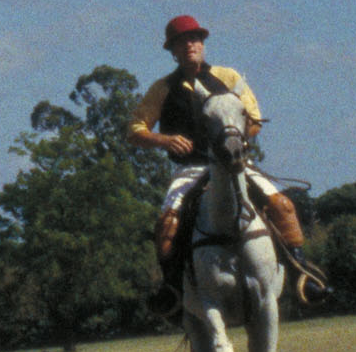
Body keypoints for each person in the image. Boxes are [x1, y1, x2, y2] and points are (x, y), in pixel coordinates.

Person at [128, 16, 311, 272]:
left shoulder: (229, 77)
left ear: (202, 43)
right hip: (191, 170)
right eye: (181, 42)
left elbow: (254, 120)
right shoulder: (162, 88)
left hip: (235, 163)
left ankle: (302, 272)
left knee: (283, 205)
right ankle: (170, 291)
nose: (189, 45)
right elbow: (135, 129)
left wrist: (235, 139)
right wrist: (163, 140)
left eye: (194, 39)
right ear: (172, 51)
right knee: (166, 225)